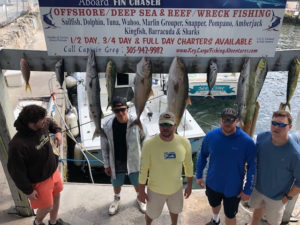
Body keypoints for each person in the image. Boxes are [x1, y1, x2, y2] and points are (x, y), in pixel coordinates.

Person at [7, 105, 69, 225]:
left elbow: (51, 123)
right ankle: (37, 222)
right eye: (42, 121)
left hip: (52, 171)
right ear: (31, 123)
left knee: (57, 196)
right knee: (47, 206)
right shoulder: (17, 145)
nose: (45, 122)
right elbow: (16, 172)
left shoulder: (43, 123)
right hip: (39, 180)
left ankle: (53, 222)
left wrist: (57, 132)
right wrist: (28, 190)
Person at [196, 108, 256, 225]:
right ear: (220, 120)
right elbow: (203, 155)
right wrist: (199, 175)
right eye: (225, 119)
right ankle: (215, 219)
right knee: (214, 204)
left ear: (237, 121)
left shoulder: (247, 142)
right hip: (212, 183)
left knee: (230, 214)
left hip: (233, 188)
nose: (227, 122)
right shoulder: (210, 136)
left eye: (231, 119)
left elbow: (252, 167)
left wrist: (248, 189)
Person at [138, 111, 193, 225]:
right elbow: (143, 170)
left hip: (176, 189)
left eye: (168, 125)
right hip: (155, 190)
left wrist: (189, 186)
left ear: (175, 126)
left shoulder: (184, 142)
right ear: (158, 125)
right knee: (151, 214)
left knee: (175, 210)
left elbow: (188, 165)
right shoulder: (148, 145)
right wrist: (141, 191)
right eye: (162, 124)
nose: (165, 128)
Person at [248, 110, 300, 225]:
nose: (277, 127)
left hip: (277, 197)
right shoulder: (262, 137)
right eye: (274, 123)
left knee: (273, 222)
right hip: (258, 188)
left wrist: (287, 197)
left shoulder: (295, 154)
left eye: (282, 125)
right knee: (257, 211)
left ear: (290, 127)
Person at [101, 96, 147, 215]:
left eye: (122, 109)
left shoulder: (137, 122)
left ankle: (140, 198)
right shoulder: (107, 125)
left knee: (137, 181)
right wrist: (106, 164)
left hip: (134, 159)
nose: (120, 113)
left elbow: (145, 138)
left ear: (127, 108)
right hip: (116, 159)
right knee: (116, 183)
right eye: (117, 110)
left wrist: (146, 158)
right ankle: (116, 199)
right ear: (113, 111)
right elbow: (104, 146)